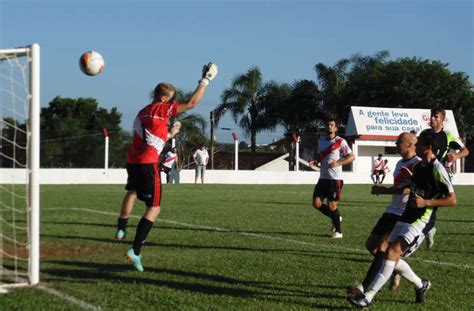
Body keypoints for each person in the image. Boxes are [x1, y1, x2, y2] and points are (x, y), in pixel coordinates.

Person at [114, 62, 218, 272]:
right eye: (171, 99)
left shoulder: (142, 112)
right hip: (148, 163)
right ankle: (135, 251)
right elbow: (192, 103)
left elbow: (149, 136)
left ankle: (121, 228)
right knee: (154, 208)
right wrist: (205, 81)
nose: (173, 104)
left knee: (132, 192)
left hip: (133, 161)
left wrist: (170, 134)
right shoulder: (162, 109)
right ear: (163, 99)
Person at [348, 130, 457, 308]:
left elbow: (452, 200)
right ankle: (421, 285)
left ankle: (367, 296)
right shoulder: (419, 167)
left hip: (421, 220)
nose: (416, 145)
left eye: (419, 142)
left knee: (390, 253)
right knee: (391, 256)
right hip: (406, 215)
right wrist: (410, 180)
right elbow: (417, 187)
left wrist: (425, 202)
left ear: (427, 147)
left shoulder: (438, 168)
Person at [347, 132, 420, 296]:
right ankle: (394, 268)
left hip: (404, 213)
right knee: (371, 245)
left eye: (399, 141)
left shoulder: (417, 164)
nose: (395, 144)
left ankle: (364, 288)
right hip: (391, 210)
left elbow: (411, 189)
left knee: (383, 246)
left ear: (409, 144)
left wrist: (384, 190)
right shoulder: (400, 162)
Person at [421, 107, 469, 249]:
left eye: (435, 116)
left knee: (431, 204)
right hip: (422, 173)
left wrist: (456, 156)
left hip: (439, 175)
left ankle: (428, 229)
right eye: (431, 116)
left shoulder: (448, 136)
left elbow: (465, 151)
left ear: (442, 119)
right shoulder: (424, 134)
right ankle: (429, 229)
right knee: (418, 202)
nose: (432, 119)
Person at [309, 118, 355, 239]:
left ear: (336, 128)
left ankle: (338, 231)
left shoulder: (341, 142)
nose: (329, 126)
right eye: (328, 124)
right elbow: (321, 155)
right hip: (323, 178)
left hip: (335, 179)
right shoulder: (321, 140)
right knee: (316, 203)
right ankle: (335, 216)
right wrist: (316, 161)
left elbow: (351, 157)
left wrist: (338, 163)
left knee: (332, 206)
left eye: (332, 125)